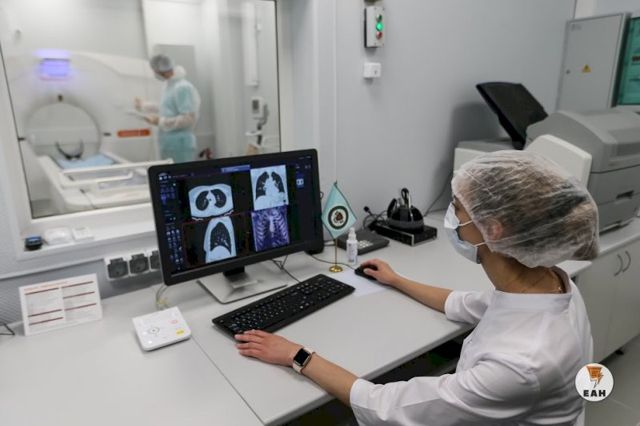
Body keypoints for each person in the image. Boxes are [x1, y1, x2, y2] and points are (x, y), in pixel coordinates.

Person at [235, 151, 599, 425]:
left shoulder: (524, 362)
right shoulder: (549, 285)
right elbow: (463, 303)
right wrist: (397, 280)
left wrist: (297, 354)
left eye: (457, 207)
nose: (451, 217)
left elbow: (383, 406)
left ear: (494, 229)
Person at [135, 54, 201, 163]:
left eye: (155, 71)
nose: (154, 74)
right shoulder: (170, 85)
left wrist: (160, 121)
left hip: (180, 145)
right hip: (170, 143)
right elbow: (167, 107)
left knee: (181, 173)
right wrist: (143, 106)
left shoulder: (182, 87)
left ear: (162, 71)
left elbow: (188, 119)